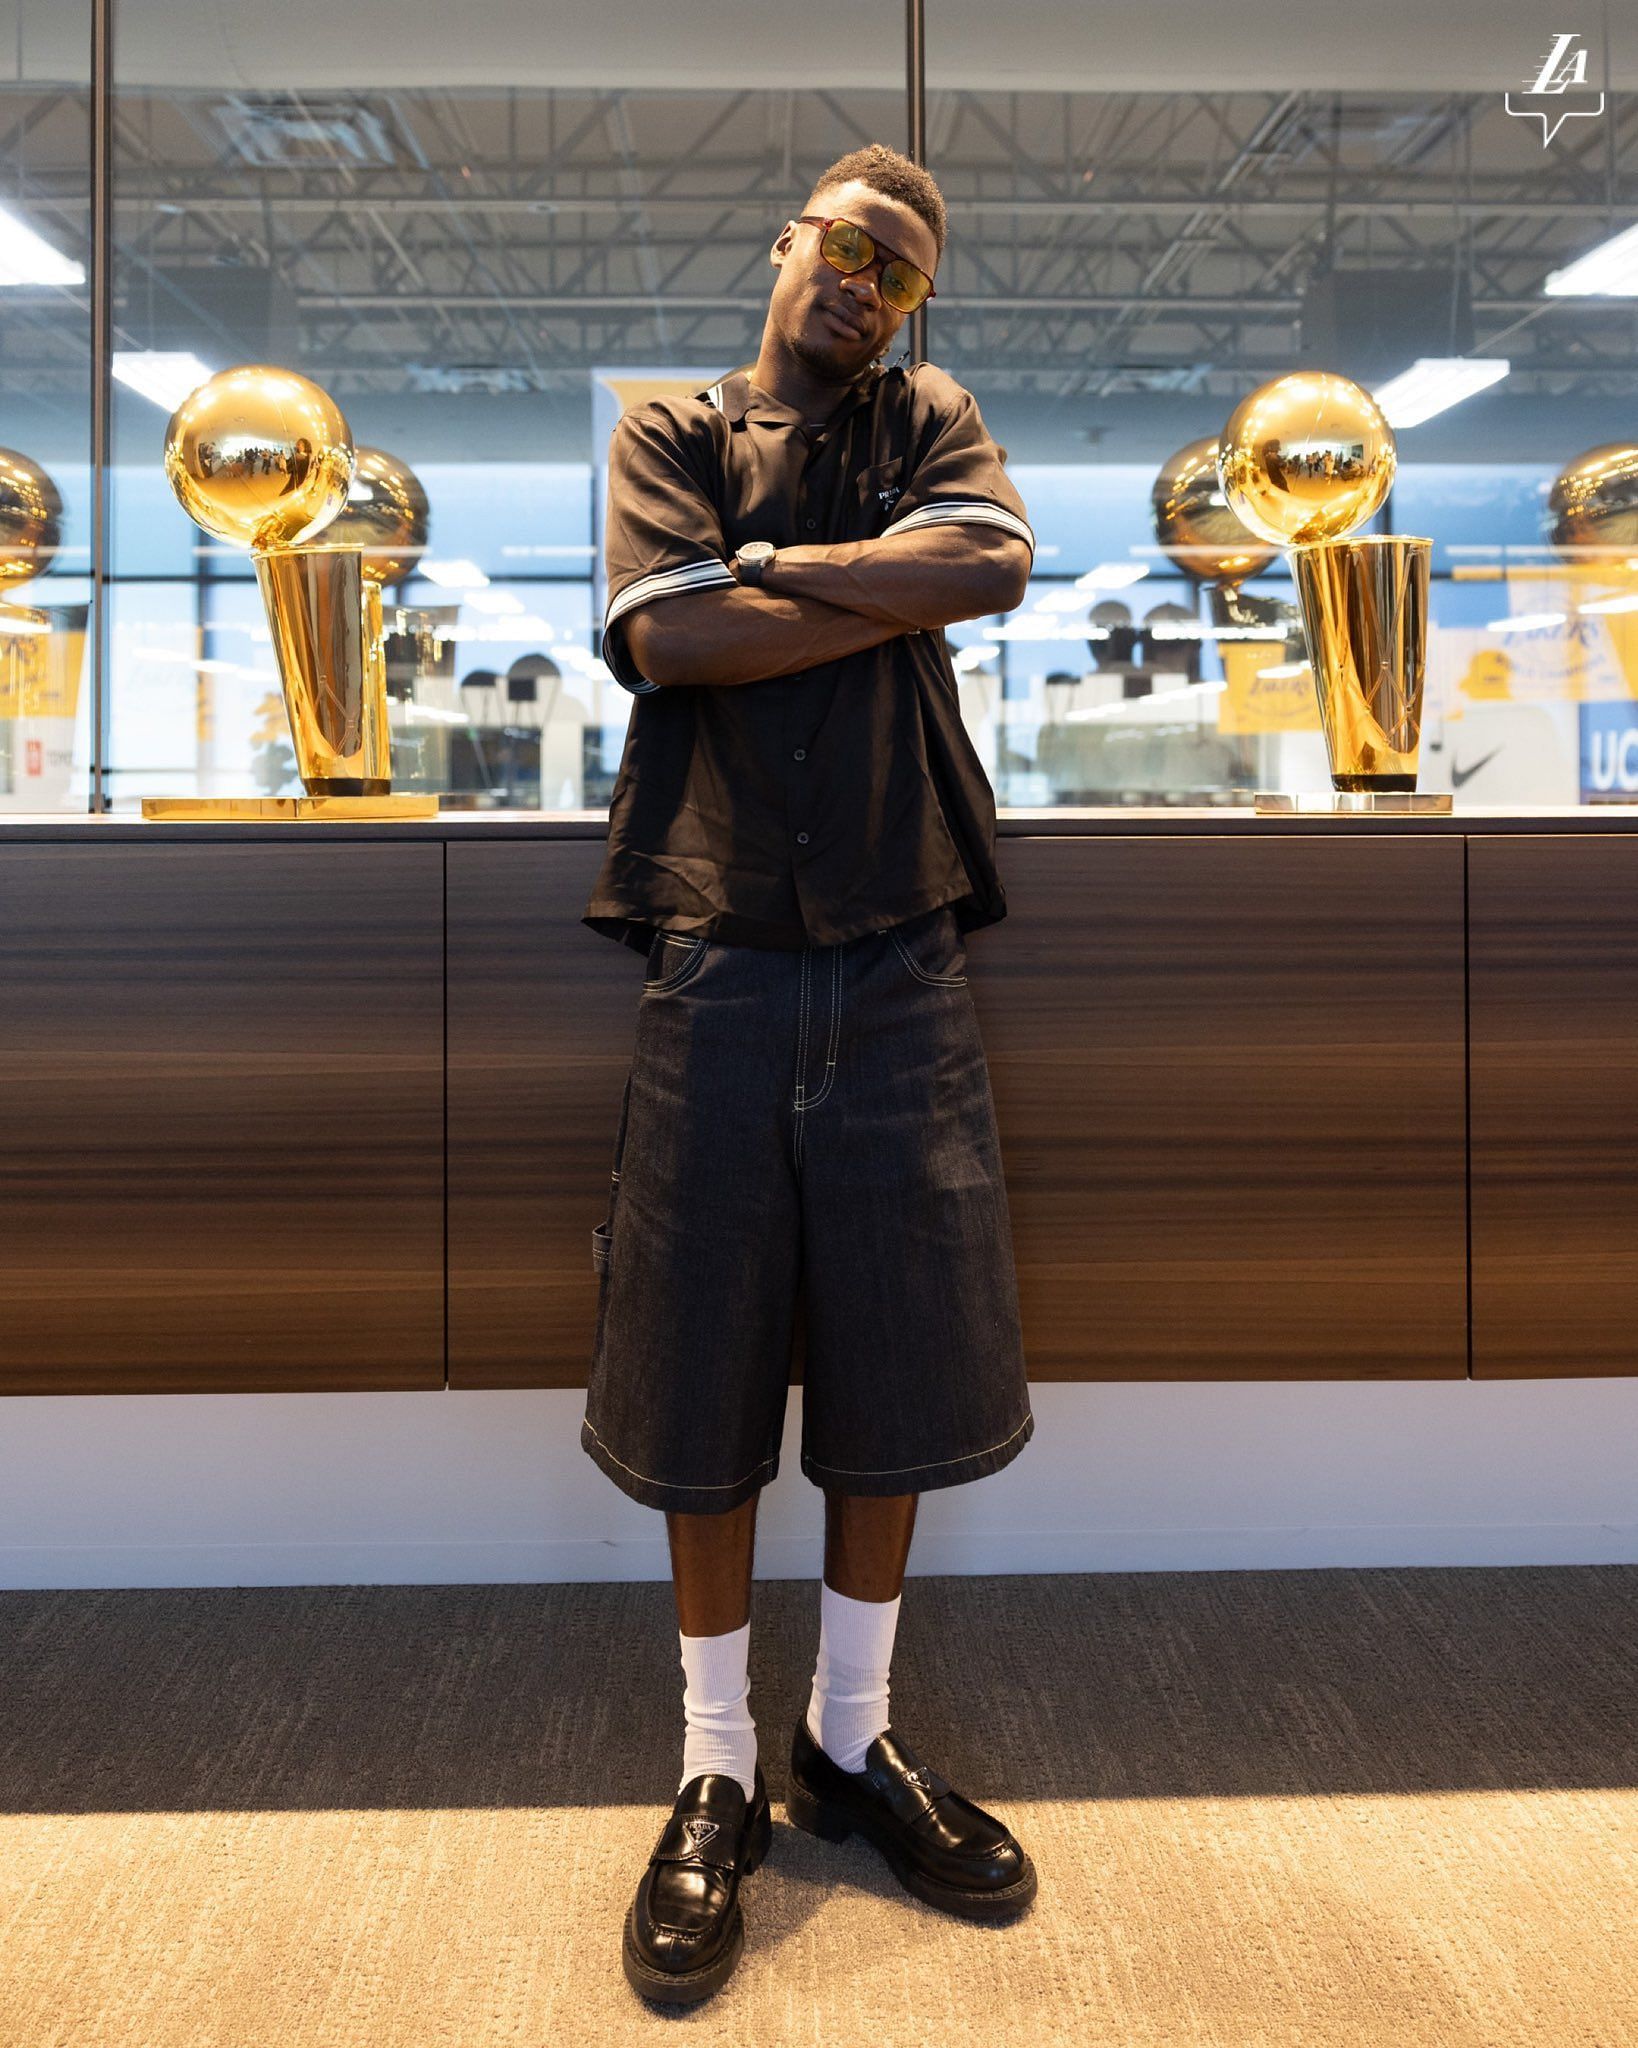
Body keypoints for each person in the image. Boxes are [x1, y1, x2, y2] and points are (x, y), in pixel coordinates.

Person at [579, 142, 1039, 2006]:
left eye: (901, 269)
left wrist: (772, 574)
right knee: (698, 1350)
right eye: (847, 246)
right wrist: (870, 590)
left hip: (902, 941)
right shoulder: (670, 425)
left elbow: (994, 563)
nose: (868, 281)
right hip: (712, 945)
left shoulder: (928, 411)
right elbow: (659, 633)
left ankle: (847, 1746)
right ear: (784, 244)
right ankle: (714, 1768)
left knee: (897, 1343)